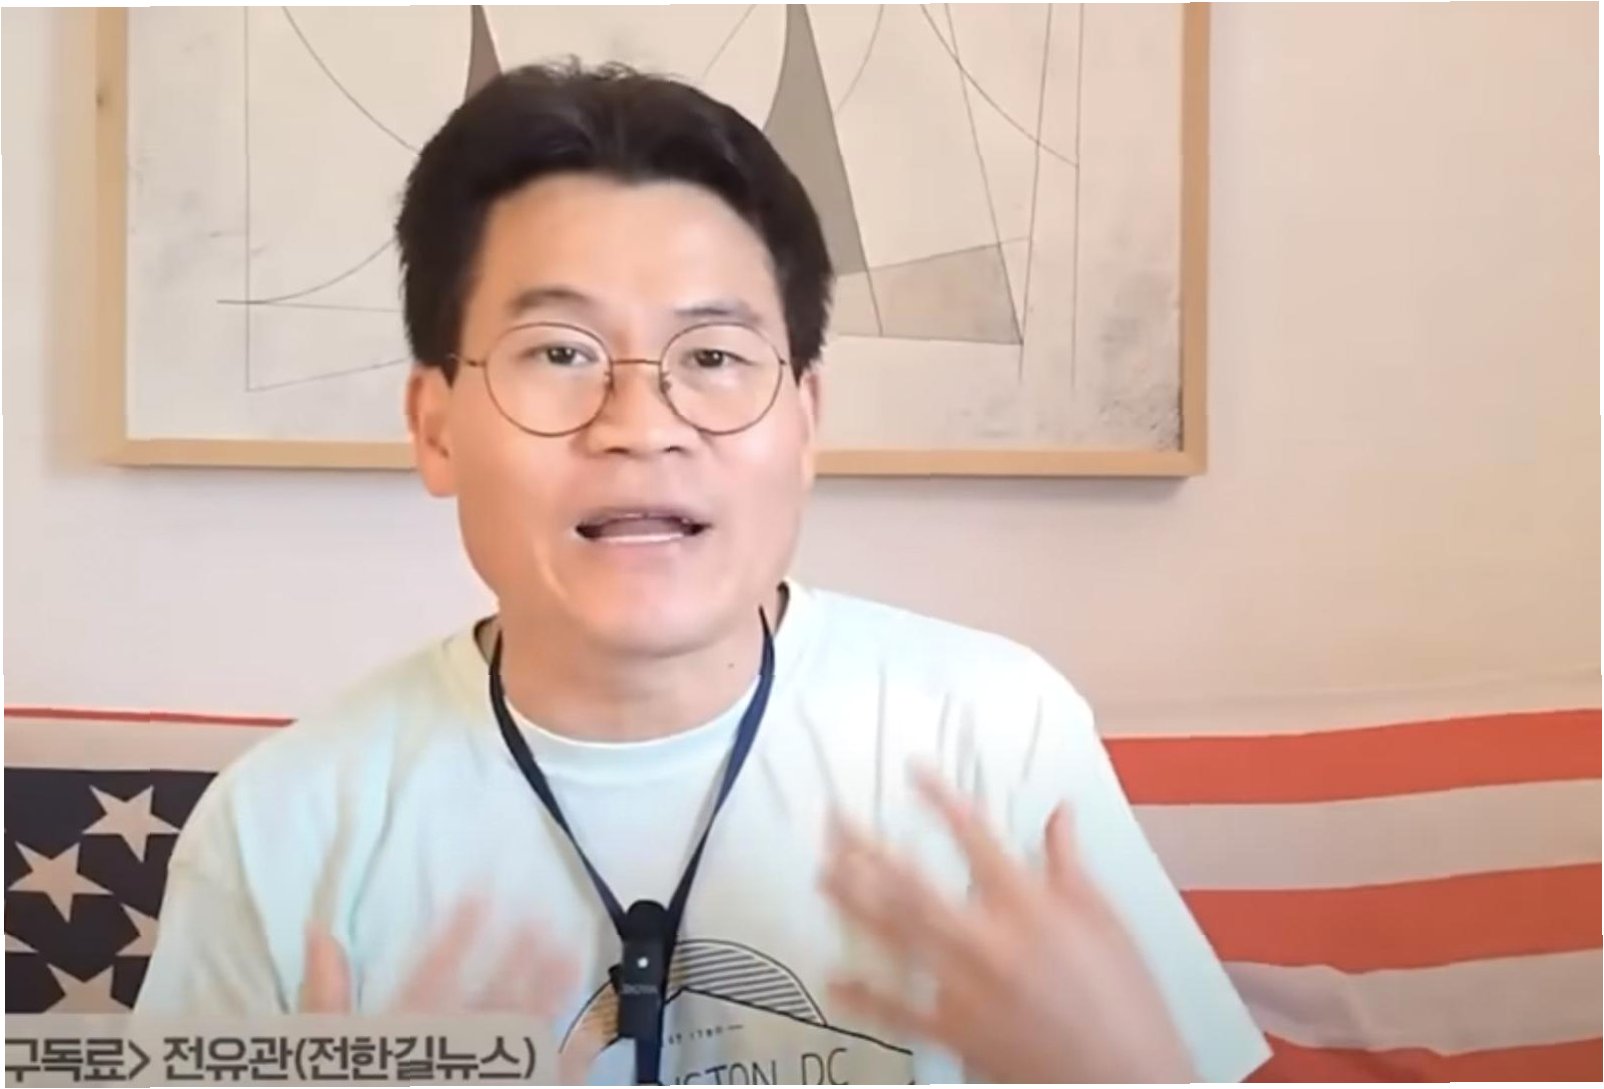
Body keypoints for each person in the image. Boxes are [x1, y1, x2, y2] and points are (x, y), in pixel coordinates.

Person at [137, 62, 1269, 1084]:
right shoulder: (281, 830)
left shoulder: (993, 735)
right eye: (559, 353)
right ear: (435, 428)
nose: (640, 425)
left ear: (806, 420)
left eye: (714, 356)